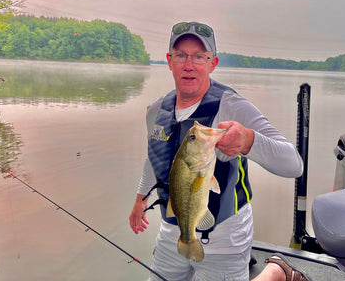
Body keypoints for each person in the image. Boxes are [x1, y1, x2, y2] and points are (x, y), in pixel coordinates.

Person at [129, 21, 310, 281]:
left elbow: (294, 164)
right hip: (174, 231)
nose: (189, 65)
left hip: (226, 236)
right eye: (181, 55)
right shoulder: (155, 111)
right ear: (169, 61)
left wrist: (248, 140)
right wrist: (139, 199)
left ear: (212, 63)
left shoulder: (233, 106)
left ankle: (275, 272)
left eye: (199, 57)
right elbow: (154, 157)